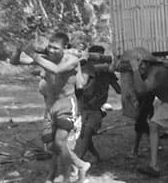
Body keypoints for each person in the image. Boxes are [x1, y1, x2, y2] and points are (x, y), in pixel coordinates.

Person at [23, 32, 91, 183]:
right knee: (51, 146)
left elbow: (57, 70)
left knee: (61, 142)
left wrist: (34, 56)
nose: (52, 50)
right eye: (50, 47)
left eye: (56, 48)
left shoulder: (72, 60)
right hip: (50, 106)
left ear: (65, 48)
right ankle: (81, 165)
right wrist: (18, 50)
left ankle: (66, 178)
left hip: (66, 104)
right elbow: (17, 61)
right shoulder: (46, 59)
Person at [128, 47, 168, 177]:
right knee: (153, 125)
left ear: (148, 63)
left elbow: (141, 90)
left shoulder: (156, 72)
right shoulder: (148, 71)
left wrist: (134, 70)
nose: (140, 67)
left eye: (142, 63)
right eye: (138, 64)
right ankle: (153, 166)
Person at [74, 44, 121, 161]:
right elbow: (78, 89)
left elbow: (119, 90)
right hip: (83, 108)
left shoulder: (107, 72)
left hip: (96, 110)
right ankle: (96, 155)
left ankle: (79, 159)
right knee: (85, 136)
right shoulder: (84, 70)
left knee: (88, 133)